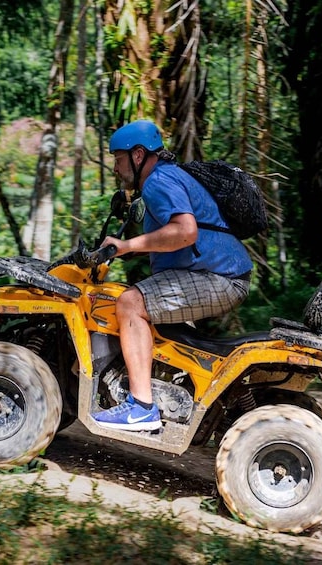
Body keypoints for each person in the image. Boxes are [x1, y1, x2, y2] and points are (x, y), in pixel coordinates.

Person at [91, 120, 253, 432]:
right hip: (219, 274)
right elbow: (172, 239)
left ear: (138, 155)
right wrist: (126, 249)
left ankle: (140, 407)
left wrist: (126, 245)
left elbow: (184, 232)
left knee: (129, 304)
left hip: (219, 278)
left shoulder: (157, 181)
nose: (115, 167)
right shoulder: (167, 177)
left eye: (118, 158)